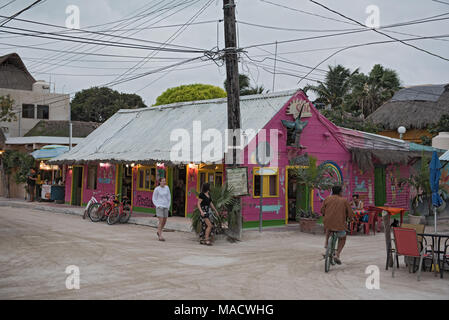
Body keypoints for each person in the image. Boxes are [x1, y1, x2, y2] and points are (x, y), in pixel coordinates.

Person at [321, 185, 354, 265]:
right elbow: (350, 213)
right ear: (340, 192)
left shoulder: (327, 198)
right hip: (340, 224)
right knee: (343, 238)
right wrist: (351, 219)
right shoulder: (344, 200)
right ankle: (337, 254)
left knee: (328, 228)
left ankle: (326, 243)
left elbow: (322, 210)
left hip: (327, 222)